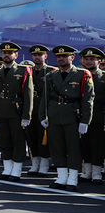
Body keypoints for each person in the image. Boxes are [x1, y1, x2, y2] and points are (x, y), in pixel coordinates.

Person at [41, 45, 94, 191]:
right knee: (57, 146)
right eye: (59, 56)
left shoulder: (82, 74)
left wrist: (85, 120)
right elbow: (45, 98)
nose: (61, 59)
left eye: (64, 56)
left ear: (72, 57)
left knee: (73, 148)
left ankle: (72, 179)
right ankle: (62, 177)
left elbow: (88, 99)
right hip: (54, 115)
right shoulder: (51, 76)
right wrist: (43, 115)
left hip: (72, 116)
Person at [0, 42, 33, 181]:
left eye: (10, 53)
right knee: (3, 141)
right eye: (4, 53)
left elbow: (28, 94)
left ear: (16, 55)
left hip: (16, 112)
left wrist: (26, 115)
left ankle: (16, 171)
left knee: (17, 141)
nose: (6, 55)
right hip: (1, 111)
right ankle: (7, 169)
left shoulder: (23, 71)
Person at [25, 45, 56, 176]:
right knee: (31, 137)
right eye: (34, 55)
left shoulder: (51, 71)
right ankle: (35, 164)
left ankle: (44, 165)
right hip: (31, 109)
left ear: (45, 56)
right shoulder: (28, 71)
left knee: (43, 138)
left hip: (45, 109)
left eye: (40, 55)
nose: (37, 57)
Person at [79, 47, 105, 184]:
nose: (88, 61)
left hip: (98, 116)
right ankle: (86, 172)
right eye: (86, 59)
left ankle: (96, 173)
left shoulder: (103, 77)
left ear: (99, 61)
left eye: (92, 59)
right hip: (81, 116)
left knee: (97, 145)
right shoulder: (79, 75)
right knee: (84, 145)